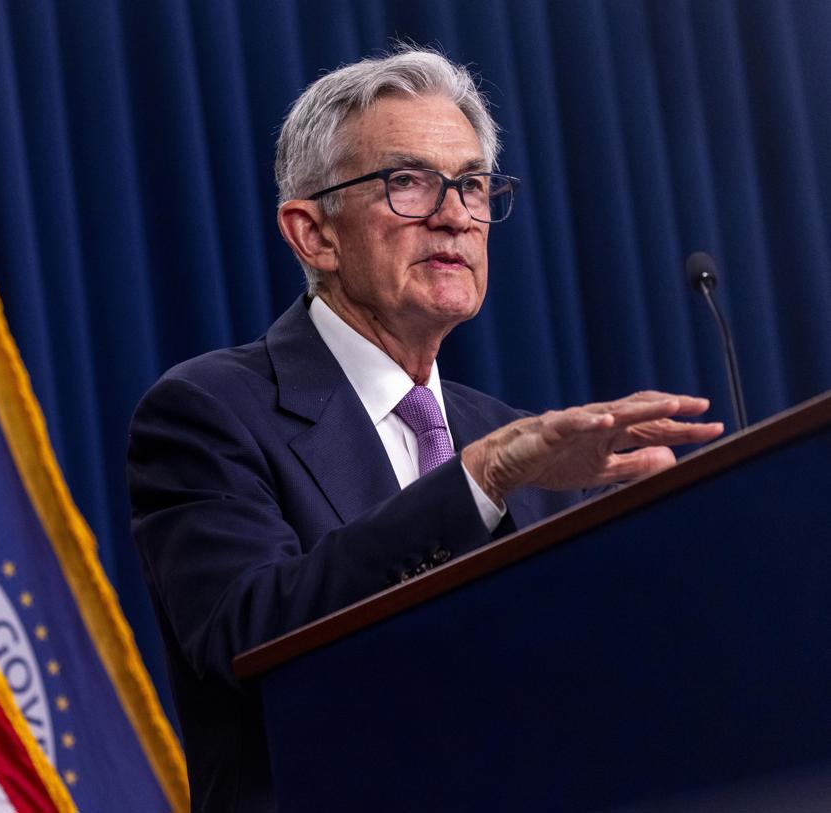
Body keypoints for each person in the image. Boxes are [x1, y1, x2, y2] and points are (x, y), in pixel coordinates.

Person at [127, 47, 723, 813]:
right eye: (407, 182)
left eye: (472, 185)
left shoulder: (513, 437)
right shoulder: (208, 411)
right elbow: (251, 636)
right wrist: (475, 481)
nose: (455, 214)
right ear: (313, 233)